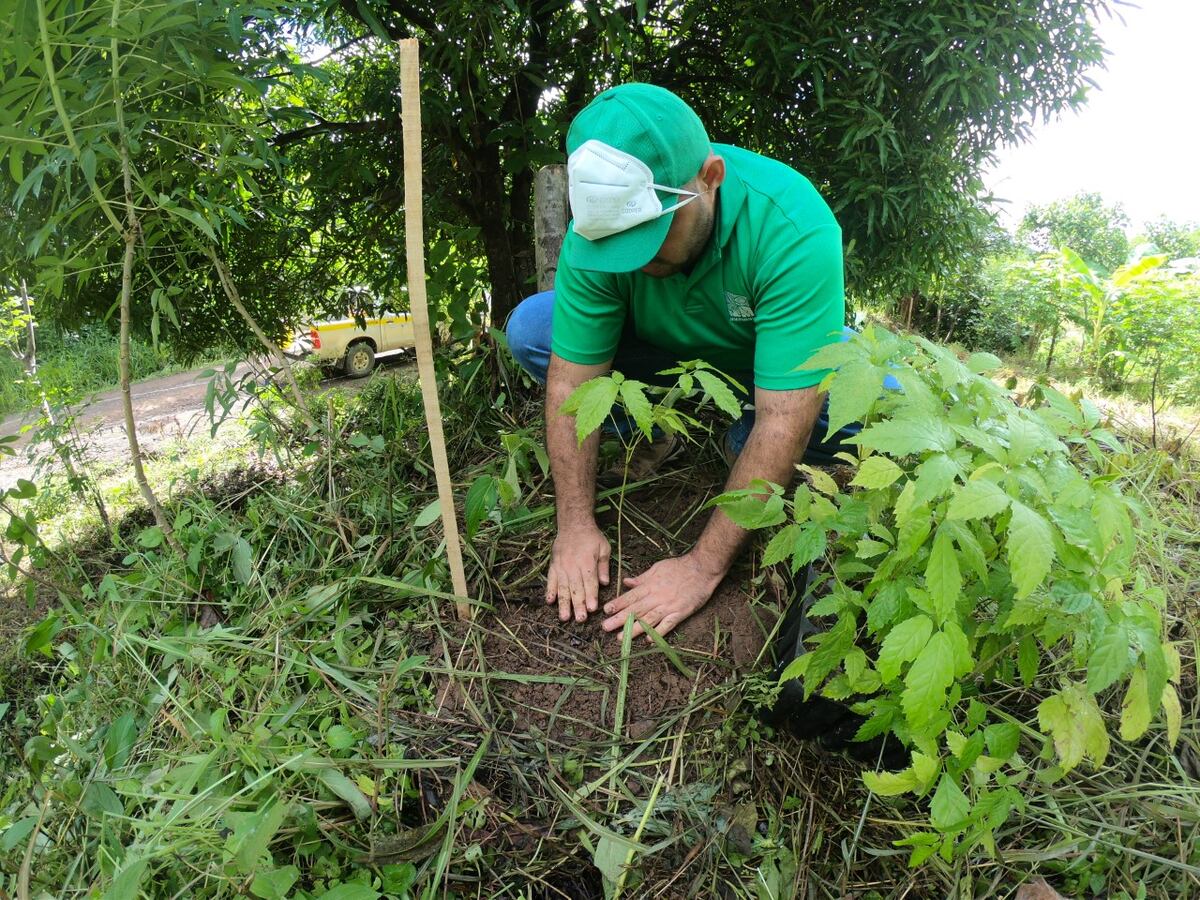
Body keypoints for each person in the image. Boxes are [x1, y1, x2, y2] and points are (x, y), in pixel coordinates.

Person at [505, 83, 860, 641]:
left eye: (649, 235)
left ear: (709, 179)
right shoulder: (597, 230)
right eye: (618, 243)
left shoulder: (792, 225)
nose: (636, 262)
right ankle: (649, 432)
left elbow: (787, 414)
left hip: (770, 357)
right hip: (662, 352)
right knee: (533, 331)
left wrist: (702, 566)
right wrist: (572, 523)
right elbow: (570, 385)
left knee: (869, 408)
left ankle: (743, 439)